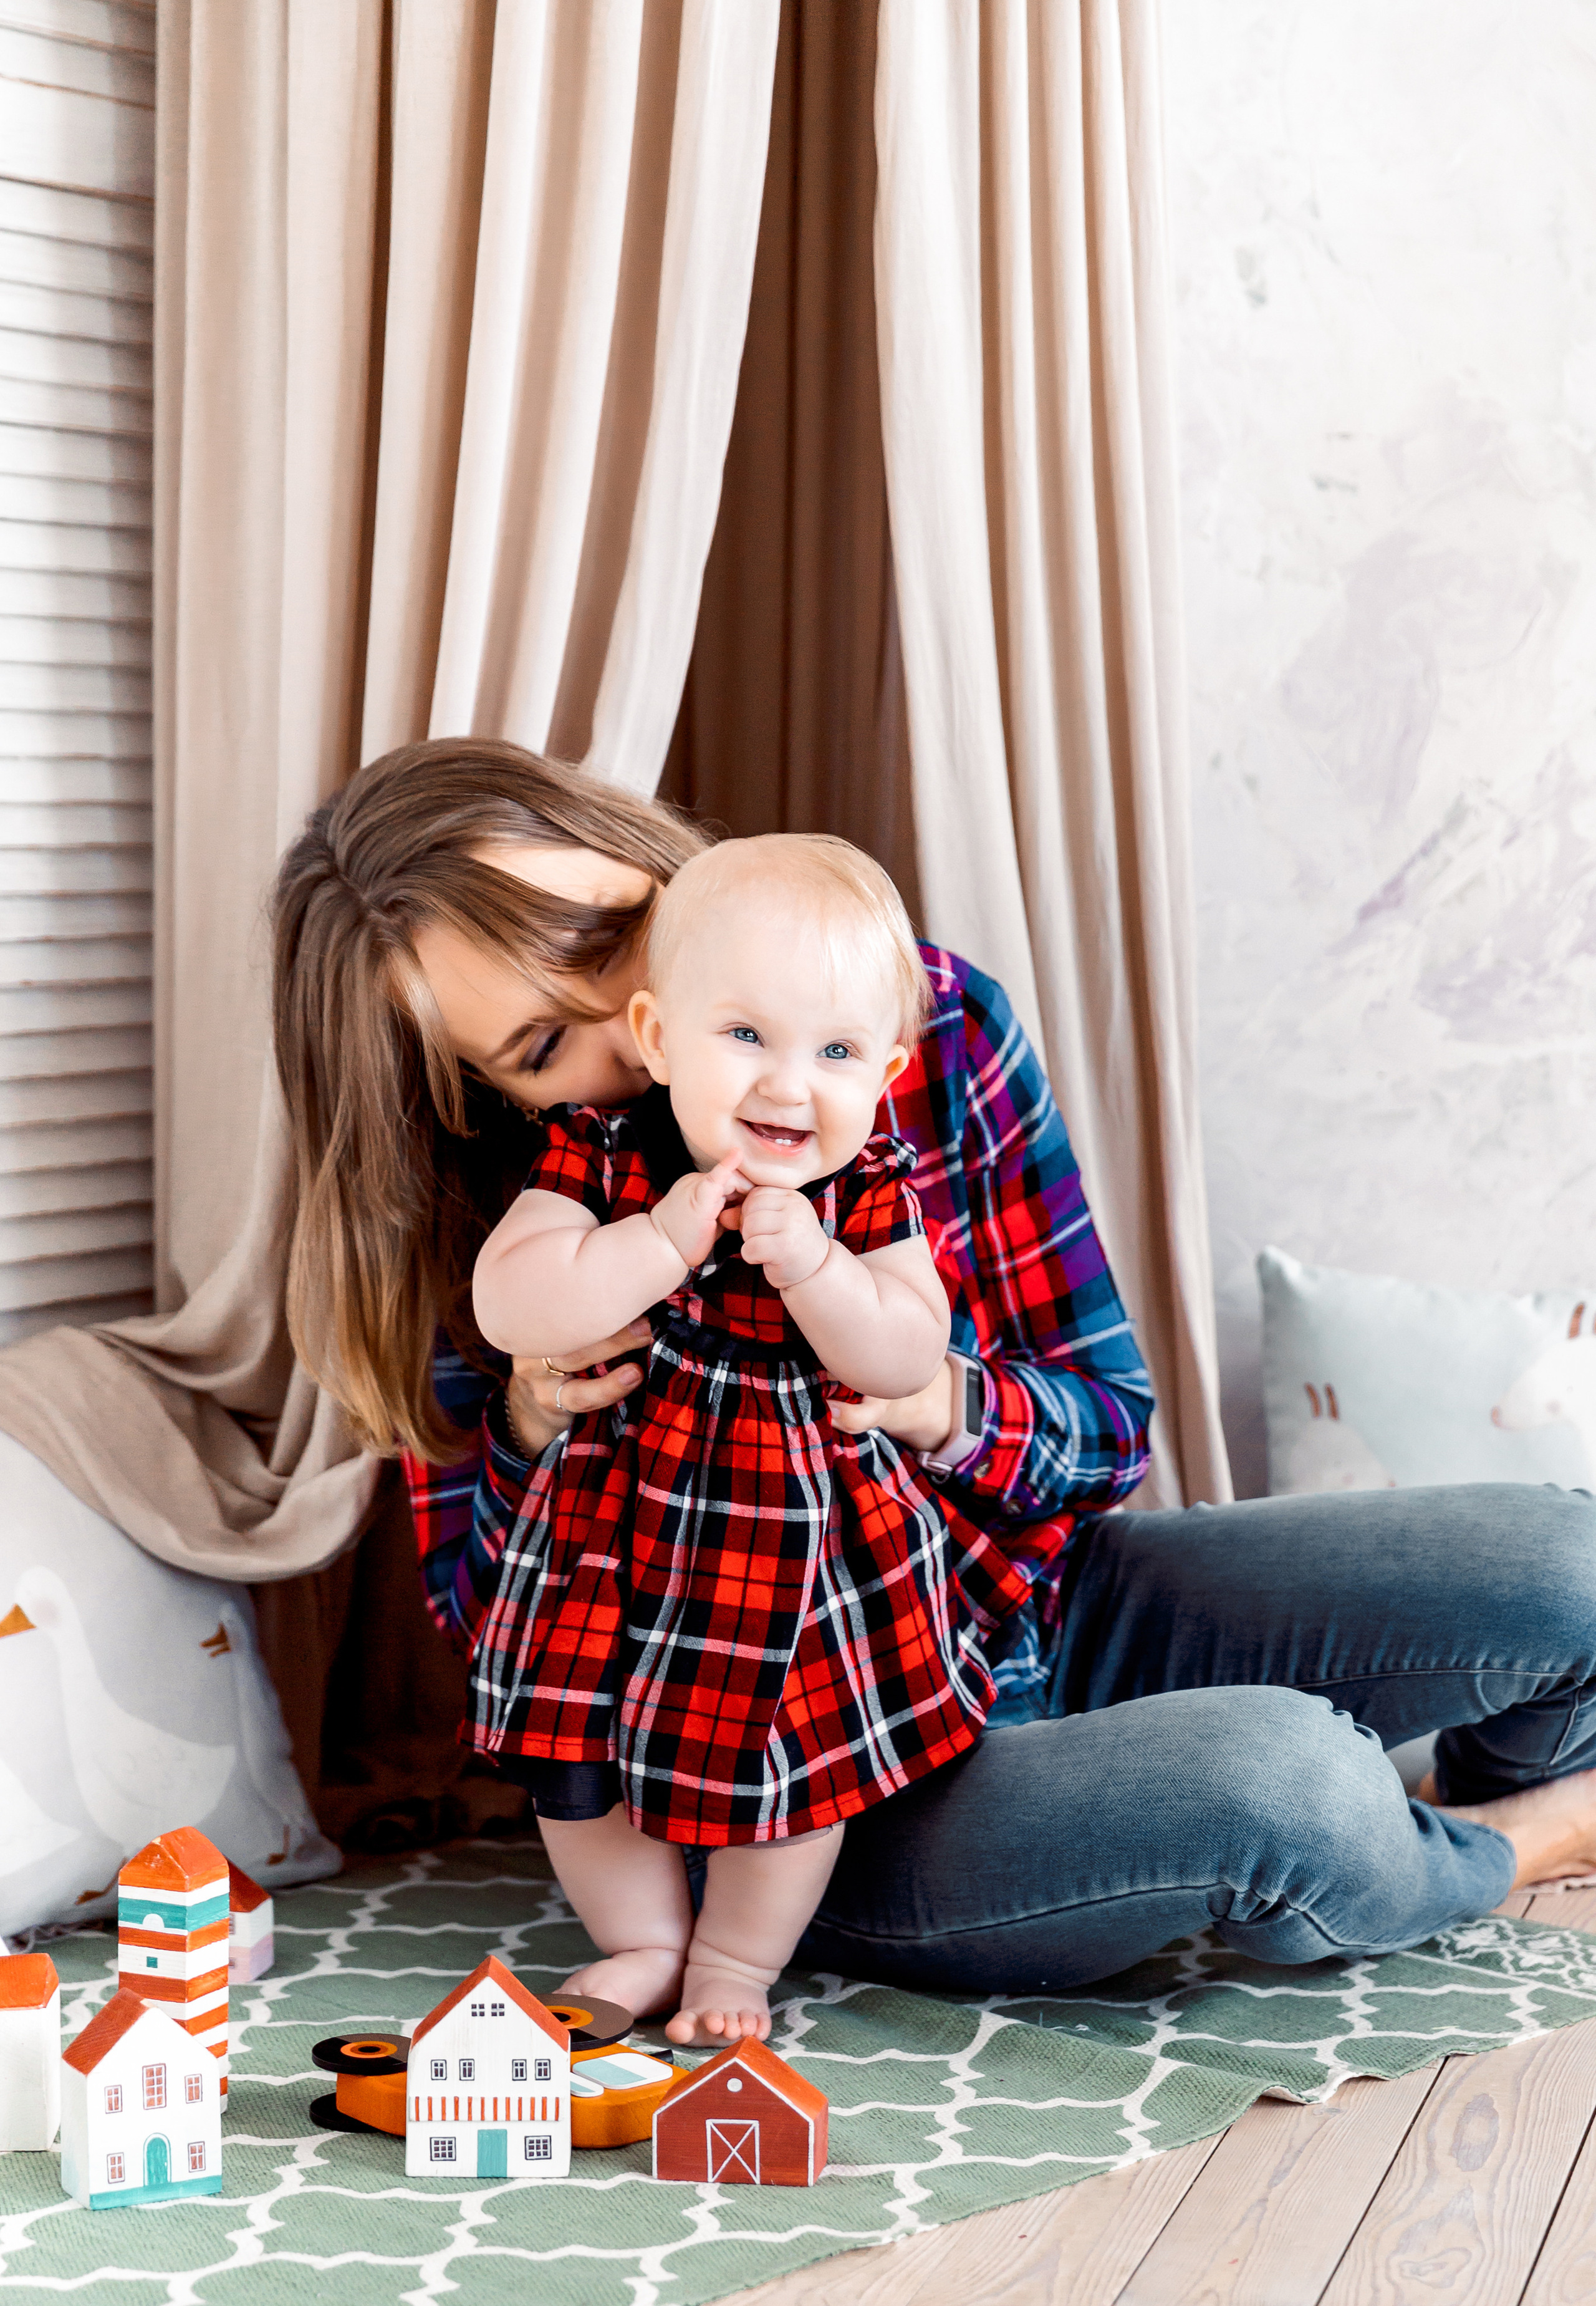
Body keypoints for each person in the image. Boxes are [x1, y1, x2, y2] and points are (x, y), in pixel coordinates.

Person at [271, 735, 1596, 2000]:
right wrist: (531, 1420)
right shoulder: (524, 1206)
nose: (631, 1026)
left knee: (1570, 1571)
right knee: (1283, 1785)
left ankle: (1431, 1809)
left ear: (638, 858)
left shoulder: (918, 1017)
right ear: (480, 1093)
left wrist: (937, 1402)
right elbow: (492, 1632)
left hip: (1033, 1603)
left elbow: (1109, 1429)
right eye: (542, 1048)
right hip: (797, 1780)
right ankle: (1498, 1850)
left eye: (610, 938)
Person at [469, 836, 1039, 2045]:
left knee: (796, 1772)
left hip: (795, 1552)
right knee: (574, 1759)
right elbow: (511, 1304)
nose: (788, 1085)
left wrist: (821, 1272)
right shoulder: (601, 1155)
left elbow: (904, 1353)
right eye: (745, 1036)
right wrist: (653, 1244)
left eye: (835, 1053)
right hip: (615, 1541)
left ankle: (735, 1959)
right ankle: (640, 1941)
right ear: (657, 1037)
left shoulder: (865, 1191)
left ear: (885, 1071)